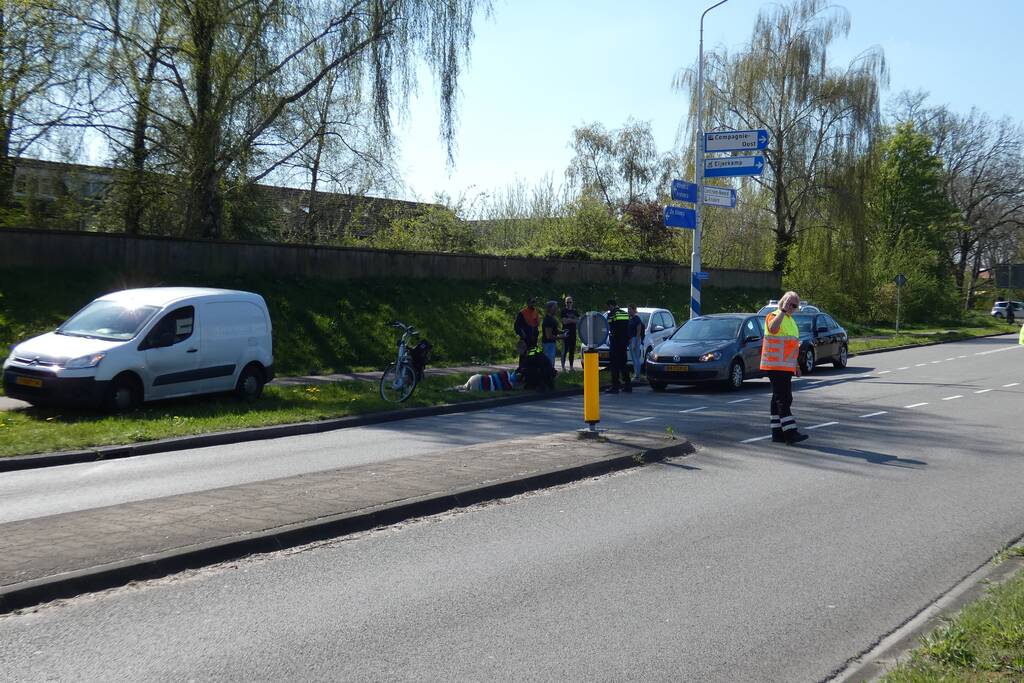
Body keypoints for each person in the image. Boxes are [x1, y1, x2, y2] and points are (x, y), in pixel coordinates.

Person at [761, 291, 807, 444]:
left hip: (785, 366)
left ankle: (777, 433)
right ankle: (790, 433)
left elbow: (792, 347)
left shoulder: (791, 321)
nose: (794, 308)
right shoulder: (774, 315)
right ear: (784, 302)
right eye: (792, 305)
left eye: (796, 306)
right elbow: (773, 329)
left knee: (777, 399)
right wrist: (782, 310)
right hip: (775, 365)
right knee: (785, 398)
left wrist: (797, 365)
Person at [605, 298, 632, 393]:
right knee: (623, 364)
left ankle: (615, 386)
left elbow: (609, 327)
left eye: (608, 307)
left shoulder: (612, 314)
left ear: (611, 306)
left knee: (614, 365)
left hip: (615, 342)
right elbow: (627, 327)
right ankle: (628, 385)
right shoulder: (625, 313)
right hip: (624, 343)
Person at [513, 297, 540, 365]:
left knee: (532, 354)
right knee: (523, 355)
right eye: (532, 302)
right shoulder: (522, 313)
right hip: (525, 339)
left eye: (534, 302)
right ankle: (521, 369)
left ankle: (530, 368)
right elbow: (517, 325)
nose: (533, 304)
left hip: (533, 339)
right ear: (528, 303)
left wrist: (536, 334)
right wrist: (522, 334)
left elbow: (537, 325)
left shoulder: (536, 312)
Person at [560, 296, 580, 371]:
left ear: (572, 303)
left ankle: (571, 367)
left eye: (570, 302)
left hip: (573, 333)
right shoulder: (563, 311)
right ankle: (563, 367)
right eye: (567, 302)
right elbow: (564, 321)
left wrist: (569, 320)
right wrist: (573, 320)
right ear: (565, 303)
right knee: (564, 350)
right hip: (565, 332)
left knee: (572, 350)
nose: (569, 304)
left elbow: (578, 321)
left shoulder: (575, 311)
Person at [627, 304, 645, 377]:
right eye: (628, 309)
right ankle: (636, 374)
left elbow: (638, 332)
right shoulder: (630, 319)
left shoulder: (637, 319)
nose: (629, 311)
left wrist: (635, 343)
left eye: (630, 309)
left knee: (636, 358)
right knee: (633, 359)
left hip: (635, 339)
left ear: (634, 310)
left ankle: (637, 374)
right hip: (631, 339)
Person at [541, 300, 561, 367]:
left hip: (552, 343)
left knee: (551, 362)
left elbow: (554, 330)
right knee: (549, 363)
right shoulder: (547, 320)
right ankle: (548, 376)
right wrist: (561, 337)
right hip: (548, 344)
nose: (556, 309)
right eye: (555, 307)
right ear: (550, 308)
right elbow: (549, 336)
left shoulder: (552, 319)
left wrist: (562, 332)